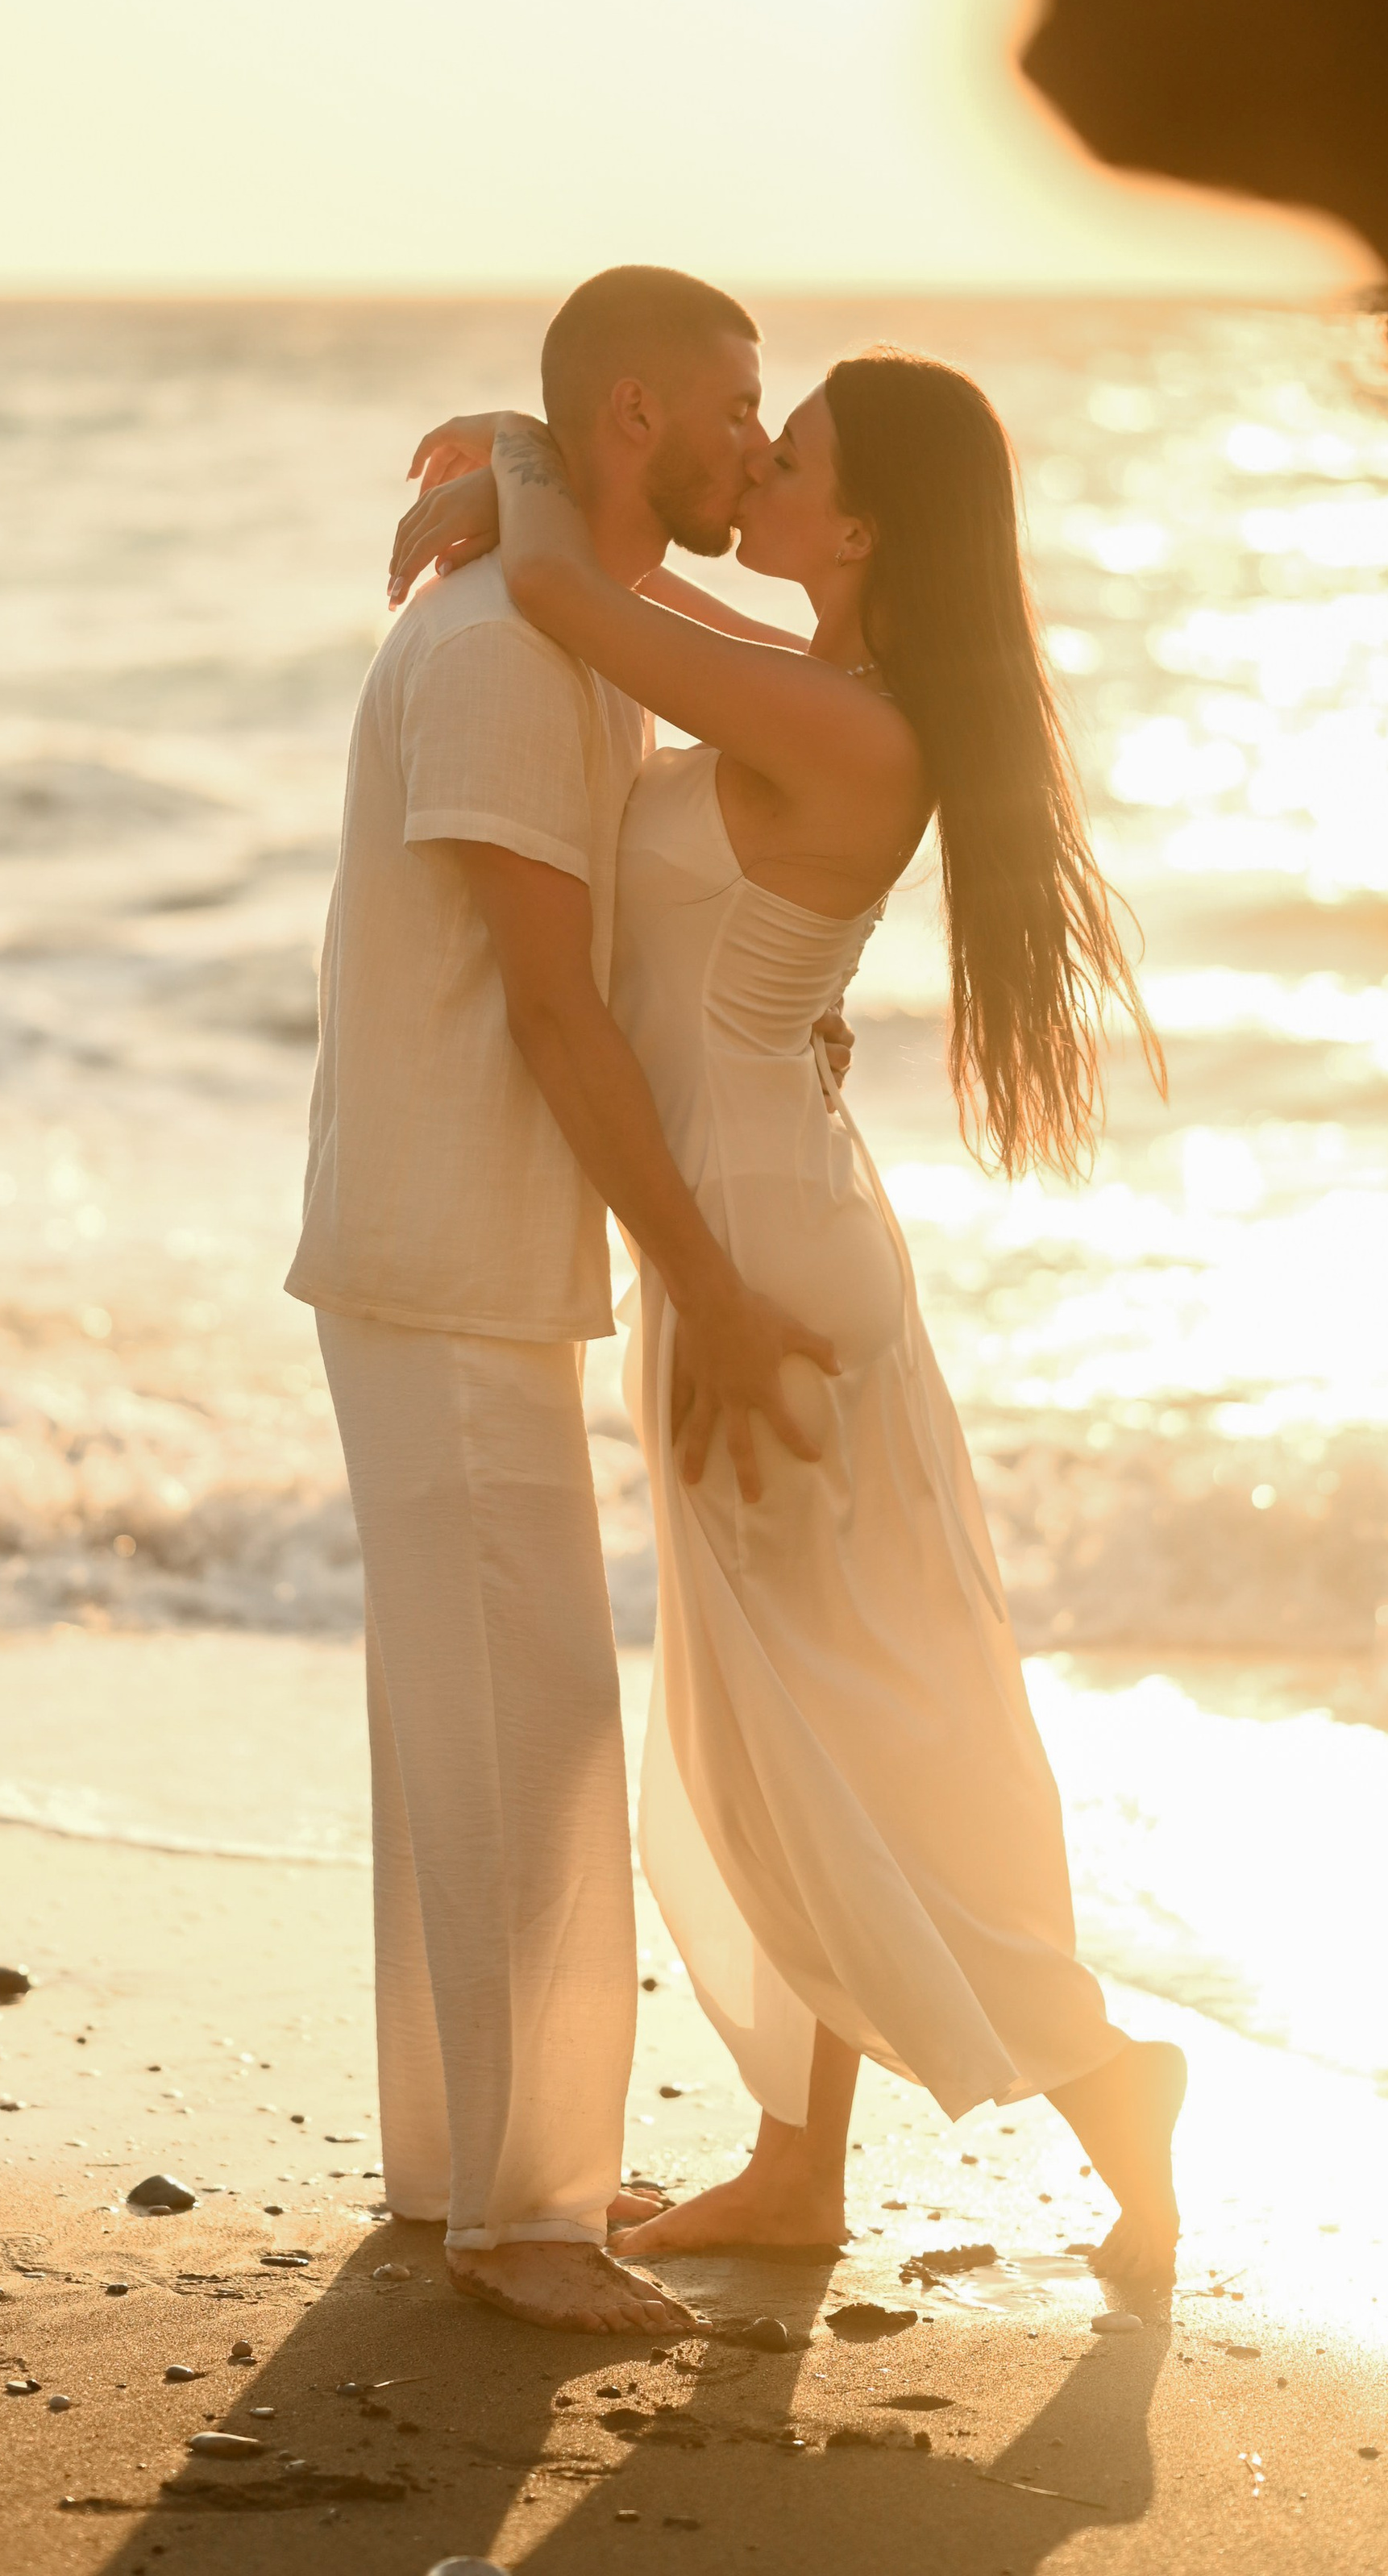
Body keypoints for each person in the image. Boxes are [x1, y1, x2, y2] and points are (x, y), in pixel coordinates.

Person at [392, 350, 1188, 2286]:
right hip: (754, 1224)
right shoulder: (831, 695)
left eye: (797, 448)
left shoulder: (857, 732)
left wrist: (511, 459)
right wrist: (539, 478)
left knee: (830, 1731)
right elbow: (640, 602)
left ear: (859, 527)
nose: (762, 461)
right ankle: (801, 2168)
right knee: (782, 1723)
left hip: (751, 1259)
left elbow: (589, 600)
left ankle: (1093, 2072)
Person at [287, 266, 841, 2335]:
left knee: (465, 1703)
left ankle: (458, 2173)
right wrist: (696, 1265)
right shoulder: (516, 649)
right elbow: (539, 999)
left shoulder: (555, 615)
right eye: (733, 401)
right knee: (526, 1722)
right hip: (445, 1250)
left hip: (432, 1242)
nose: (752, 439)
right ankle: (526, 2222)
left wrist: (503, 456)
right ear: (632, 415)